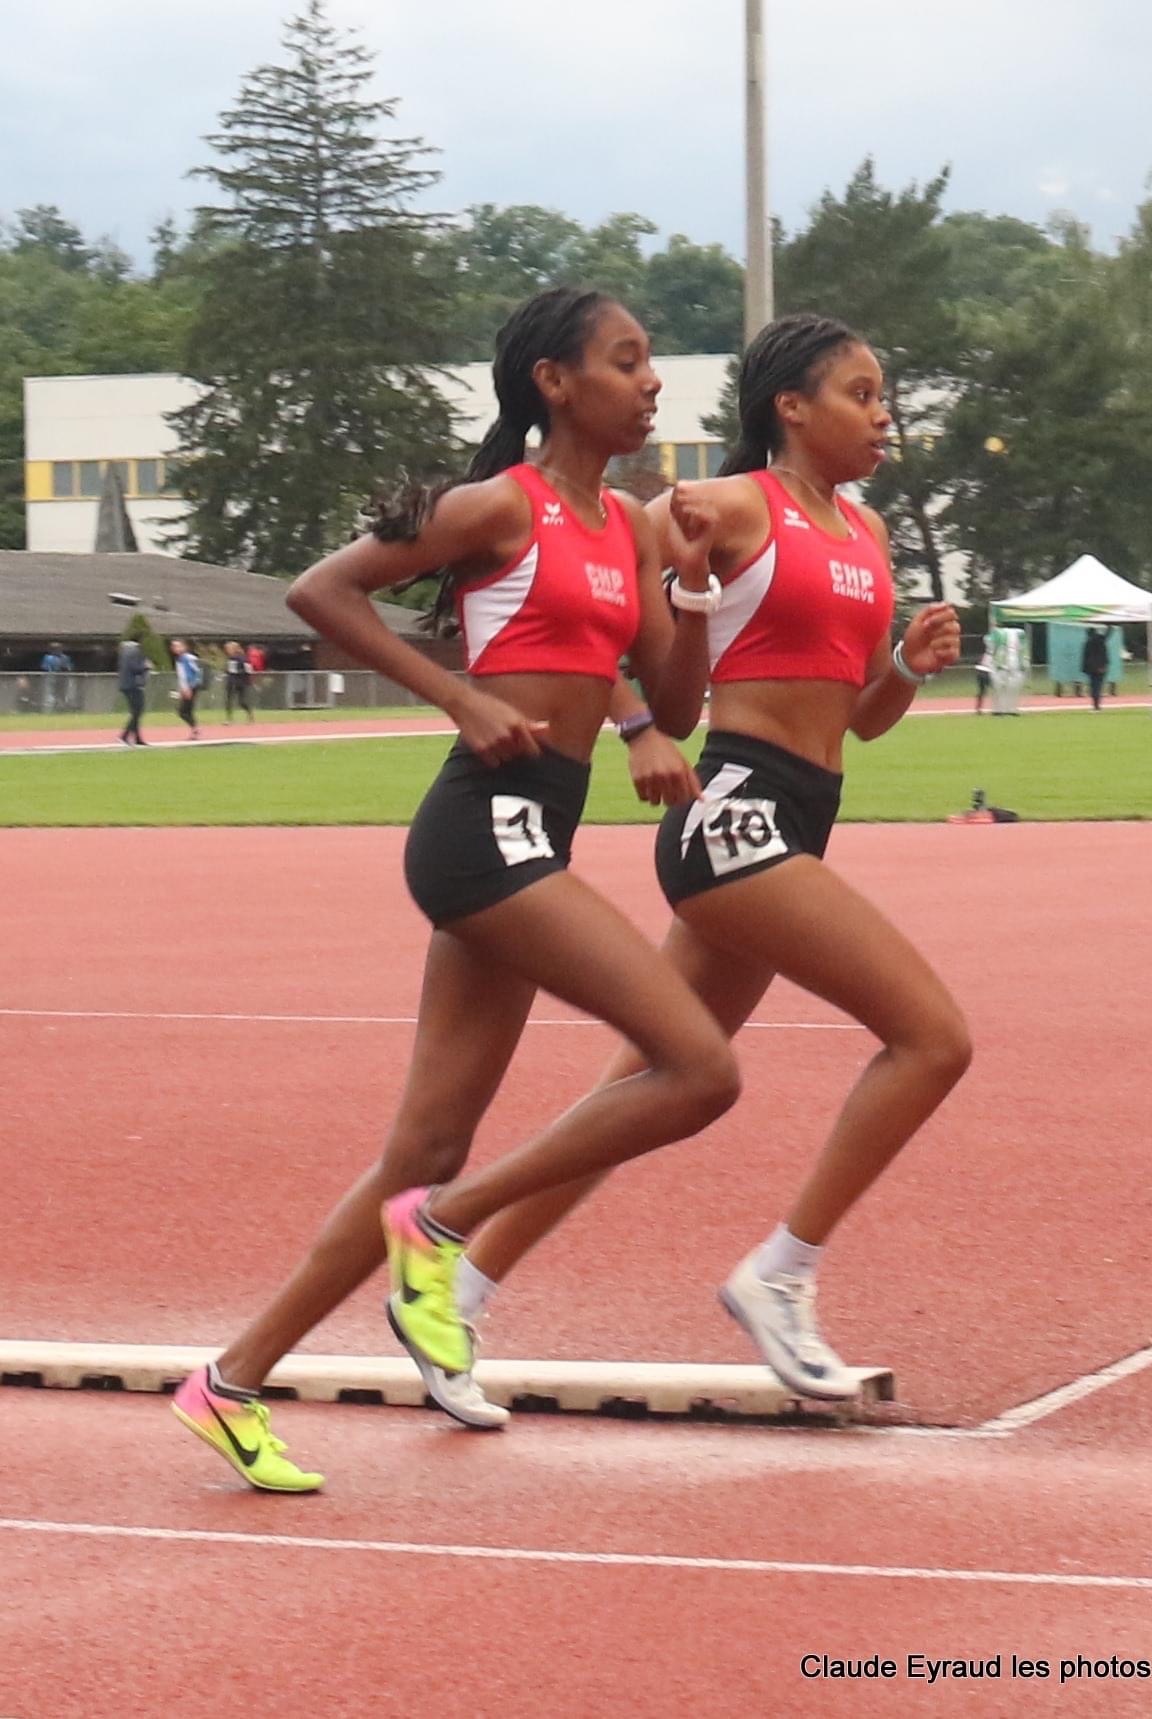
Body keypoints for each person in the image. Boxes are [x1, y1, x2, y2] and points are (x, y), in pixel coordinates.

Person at [172, 286, 739, 1490]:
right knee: (698, 1067)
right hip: (481, 832)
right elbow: (321, 592)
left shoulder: (629, 526)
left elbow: (678, 705)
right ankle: (439, 1230)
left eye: (649, 363)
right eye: (626, 361)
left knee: (425, 1143)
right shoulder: (501, 506)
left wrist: (690, 590)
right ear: (553, 381)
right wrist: (460, 697)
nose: (650, 381)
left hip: (539, 831)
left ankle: (228, 1382)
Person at [438, 311, 971, 1418]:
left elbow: (856, 720)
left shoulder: (866, 531)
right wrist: (640, 707)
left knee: (642, 1087)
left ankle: (458, 1282)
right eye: (862, 395)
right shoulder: (724, 506)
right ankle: (780, 1274)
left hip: (801, 814)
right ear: (791, 406)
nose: (883, 417)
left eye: (883, 398)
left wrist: (907, 669)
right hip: (735, 816)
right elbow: (595, 588)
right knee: (931, 1038)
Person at [116, 638, 151, 745]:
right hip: (134, 685)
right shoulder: (135, 652)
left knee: (135, 711)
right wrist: (146, 666)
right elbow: (135, 668)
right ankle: (124, 735)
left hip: (126, 684)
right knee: (138, 711)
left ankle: (137, 738)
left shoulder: (124, 652)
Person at [170, 638, 203, 738]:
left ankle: (195, 730)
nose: (176, 648)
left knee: (184, 710)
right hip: (185, 688)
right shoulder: (179, 660)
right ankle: (195, 729)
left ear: (184, 647)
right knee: (185, 711)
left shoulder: (188, 658)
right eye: (174, 646)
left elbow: (197, 672)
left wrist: (190, 687)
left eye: (178, 646)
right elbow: (181, 676)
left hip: (191, 686)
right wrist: (182, 689)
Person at [222, 641, 255, 723]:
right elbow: (229, 670)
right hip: (231, 681)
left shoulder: (244, 659)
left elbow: (249, 671)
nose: (227, 651)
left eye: (229, 649)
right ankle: (229, 719)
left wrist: (238, 671)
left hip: (241, 682)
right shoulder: (230, 659)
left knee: (242, 702)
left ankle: (250, 714)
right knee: (229, 700)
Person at [1081, 626, 1109, 710]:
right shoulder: (1101, 641)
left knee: (1093, 686)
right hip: (1100, 667)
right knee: (1098, 686)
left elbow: (1085, 656)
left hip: (1090, 668)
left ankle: (1095, 704)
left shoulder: (1087, 643)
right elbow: (1103, 655)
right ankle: (1097, 705)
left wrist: (1085, 668)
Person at [974, 633, 994, 714]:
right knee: (998, 689)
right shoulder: (994, 654)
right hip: (986, 672)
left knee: (981, 691)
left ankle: (978, 708)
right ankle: (999, 707)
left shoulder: (986, 654)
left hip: (980, 671)